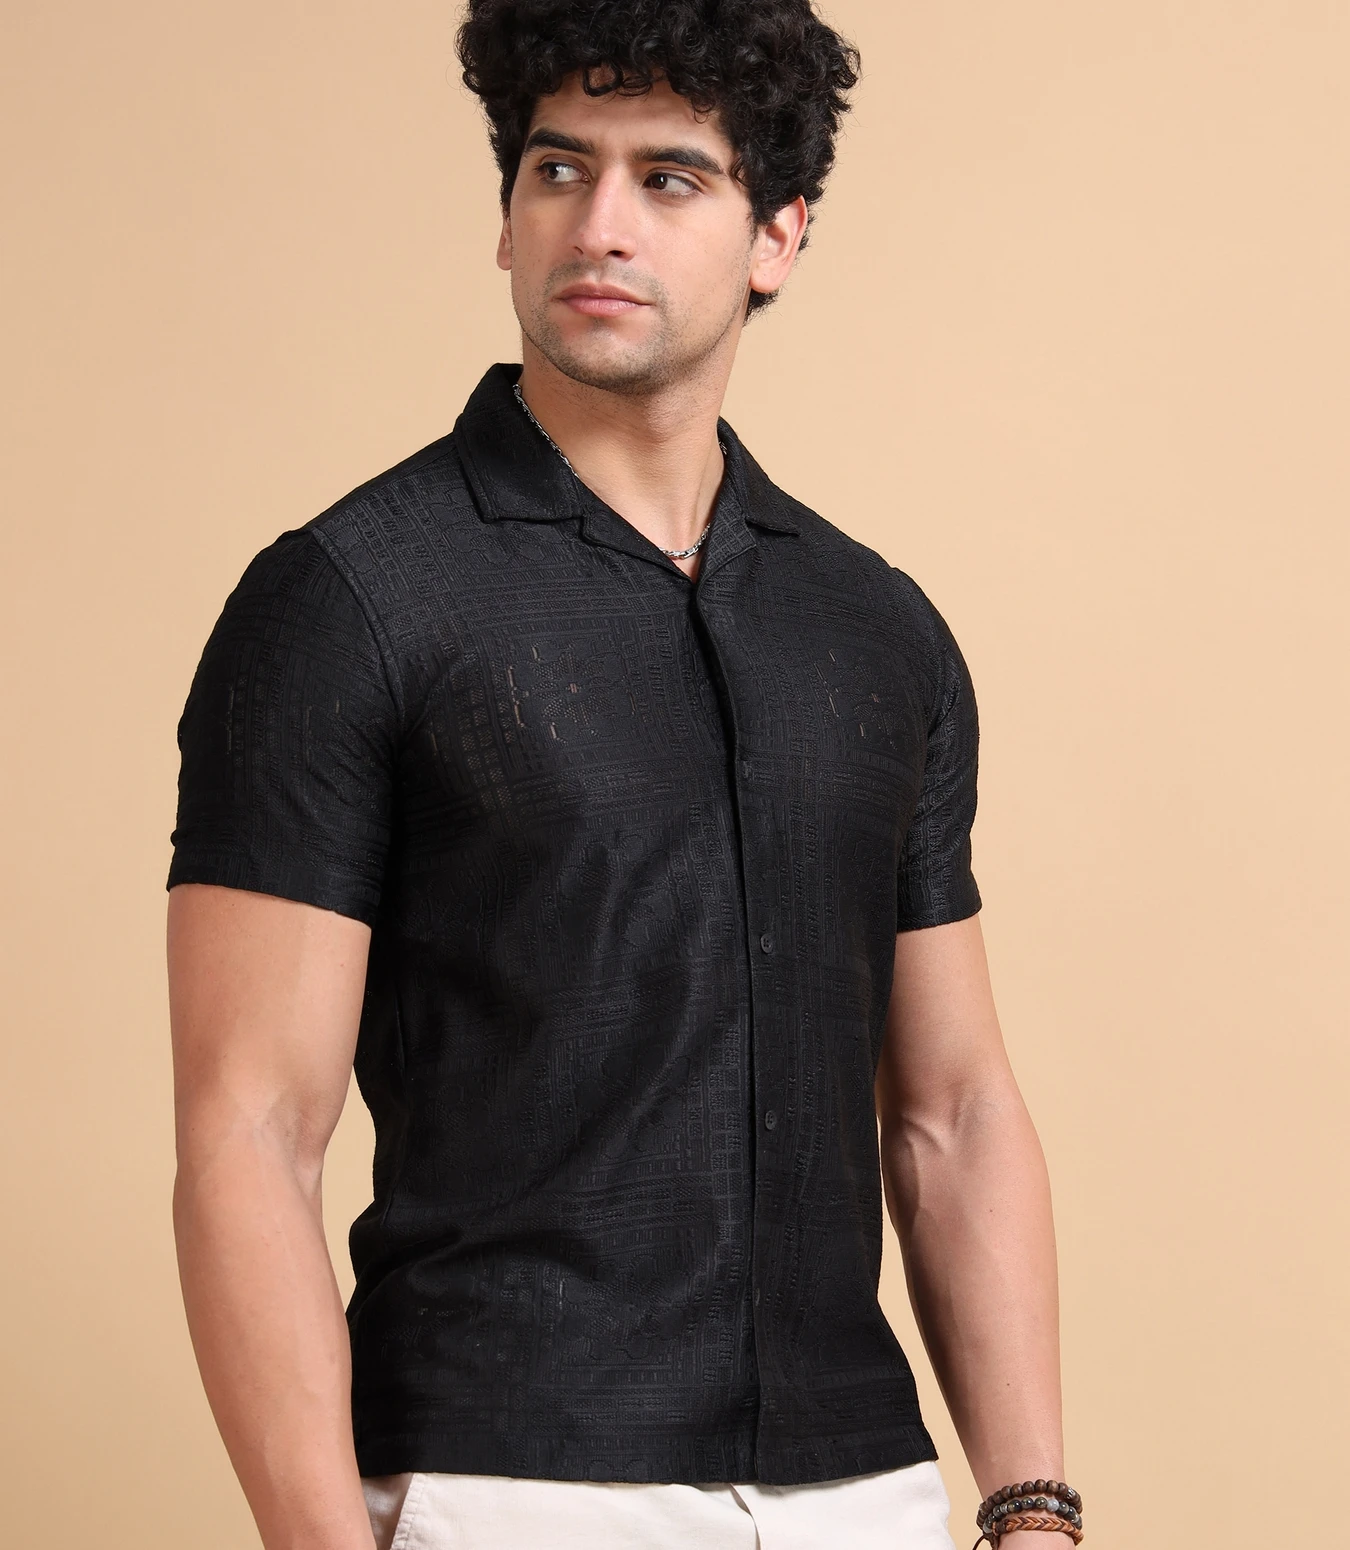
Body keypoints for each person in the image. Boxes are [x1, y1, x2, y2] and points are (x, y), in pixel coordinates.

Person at [165, 3, 1073, 1548]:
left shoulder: (874, 629)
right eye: (557, 169)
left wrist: (1030, 1505)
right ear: (505, 218)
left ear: (777, 236)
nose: (597, 224)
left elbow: (955, 1109)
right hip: (506, 1481)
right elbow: (247, 1130)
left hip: (865, 1493)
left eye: (668, 178)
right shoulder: (348, 600)